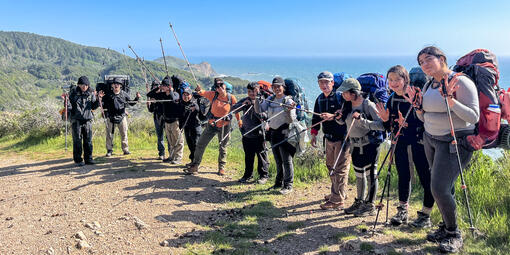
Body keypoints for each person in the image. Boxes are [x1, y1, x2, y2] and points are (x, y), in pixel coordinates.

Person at [406, 46, 479, 253]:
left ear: (442, 59)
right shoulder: (430, 84)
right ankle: (446, 227)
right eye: (421, 62)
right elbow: (425, 116)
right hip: (431, 140)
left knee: (438, 187)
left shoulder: (461, 82)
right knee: (442, 187)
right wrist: (419, 108)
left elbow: (473, 117)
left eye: (428, 59)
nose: (424, 64)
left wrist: (451, 101)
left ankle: (454, 234)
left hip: (455, 142)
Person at [375, 65, 434, 228]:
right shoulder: (392, 98)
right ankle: (402, 211)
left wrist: (405, 122)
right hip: (400, 143)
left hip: (419, 143)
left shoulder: (415, 96)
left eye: (397, 79)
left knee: (425, 178)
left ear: (405, 79)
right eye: (390, 80)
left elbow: (425, 120)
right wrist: (386, 119)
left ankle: (426, 215)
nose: (393, 83)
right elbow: (390, 128)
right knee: (403, 176)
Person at [335, 78, 385, 216]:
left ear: (354, 92)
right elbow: (343, 123)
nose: (343, 95)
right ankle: (360, 202)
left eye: (345, 92)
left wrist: (363, 121)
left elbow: (381, 125)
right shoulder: (347, 105)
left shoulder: (368, 105)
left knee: (371, 175)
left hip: (370, 145)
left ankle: (370, 205)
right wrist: (338, 118)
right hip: (355, 144)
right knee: (359, 175)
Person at [184, 78, 241, 176]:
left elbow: (236, 110)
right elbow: (203, 93)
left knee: (223, 147)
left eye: (221, 85)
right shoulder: (213, 95)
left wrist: (240, 121)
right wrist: (199, 90)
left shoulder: (231, 98)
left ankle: (221, 168)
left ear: (225, 86)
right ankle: (195, 166)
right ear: (215, 88)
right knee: (200, 144)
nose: (219, 88)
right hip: (212, 124)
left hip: (225, 125)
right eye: (217, 87)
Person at [310, 71, 351, 210]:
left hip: (342, 138)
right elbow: (315, 119)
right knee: (330, 166)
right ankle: (338, 193)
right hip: (328, 138)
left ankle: (337, 200)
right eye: (321, 82)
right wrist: (314, 134)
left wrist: (333, 116)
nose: (324, 85)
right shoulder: (320, 99)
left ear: (333, 83)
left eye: (327, 82)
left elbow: (346, 114)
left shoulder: (341, 97)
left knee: (339, 169)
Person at [255, 76, 297, 195]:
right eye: (274, 87)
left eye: (279, 86)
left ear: (283, 87)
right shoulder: (270, 99)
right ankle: (278, 183)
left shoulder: (288, 101)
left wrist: (289, 110)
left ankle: (288, 185)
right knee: (278, 160)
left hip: (284, 133)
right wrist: (258, 99)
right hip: (273, 132)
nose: (277, 89)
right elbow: (259, 110)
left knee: (286, 160)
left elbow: (291, 121)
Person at [233, 82, 269, 184]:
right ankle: (247, 175)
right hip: (246, 133)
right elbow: (233, 109)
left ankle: (264, 176)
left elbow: (264, 117)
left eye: (254, 91)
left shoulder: (263, 101)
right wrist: (242, 104)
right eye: (249, 91)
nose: (252, 93)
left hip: (259, 134)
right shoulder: (245, 100)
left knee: (261, 156)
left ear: (258, 90)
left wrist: (254, 105)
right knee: (248, 156)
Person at [99, 78, 140, 157]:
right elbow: (102, 104)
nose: (116, 85)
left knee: (124, 134)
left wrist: (137, 98)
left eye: (118, 84)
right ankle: (109, 150)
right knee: (109, 135)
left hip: (122, 116)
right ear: (112, 85)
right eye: (114, 84)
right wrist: (100, 98)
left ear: (121, 86)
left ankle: (125, 149)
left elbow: (131, 103)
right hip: (110, 117)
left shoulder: (124, 94)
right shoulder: (108, 95)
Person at [147, 76, 182, 164]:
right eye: (162, 85)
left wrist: (170, 90)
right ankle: (171, 156)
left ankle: (178, 158)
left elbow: (173, 99)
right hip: (166, 121)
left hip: (175, 121)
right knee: (170, 140)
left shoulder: (175, 94)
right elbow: (149, 95)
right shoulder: (162, 95)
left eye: (164, 85)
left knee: (178, 140)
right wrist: (158, 88)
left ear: (169, 86)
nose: (162, 87)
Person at [66, 76, 99, 166]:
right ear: (79, 85)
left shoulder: (91, 94)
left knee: (88, 140)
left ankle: (88, 159)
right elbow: (69, 106)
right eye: (82, 85)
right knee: (77, 140)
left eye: (86, 85)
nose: (84, 87)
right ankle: (78, 160)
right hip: (76, 120)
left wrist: (99, 100)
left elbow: (93, 107)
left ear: (88, 85)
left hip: (88, 120)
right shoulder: (73, 94)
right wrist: (66, 100)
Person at [179, 87, 202, 167]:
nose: (185, 96)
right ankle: (192, 161)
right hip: (187, 127)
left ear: (191, 95)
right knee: (190, 145)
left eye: (187, 95)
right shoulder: (182, 103)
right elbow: (181, 116)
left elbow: (197, 109)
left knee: (196, 145)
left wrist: (194, 109)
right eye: (184, 95)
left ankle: (196, 163)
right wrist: (181, 126)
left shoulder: (194, 102)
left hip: (195, 127)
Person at [147, 80, 168, 160]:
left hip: (165, 118)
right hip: (157, 118)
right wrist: (152, 103)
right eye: (154, 86)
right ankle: (161, 153)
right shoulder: (153, 95)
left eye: (157, 86)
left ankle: (170, 153)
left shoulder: (164, 94)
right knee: (160, 137)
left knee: (168, 136)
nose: (155, 88)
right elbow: (151, 110)